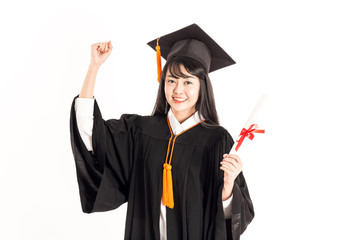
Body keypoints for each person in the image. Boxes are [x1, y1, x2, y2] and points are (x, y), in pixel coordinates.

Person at [70, 24, 254, 240]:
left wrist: (229, 184)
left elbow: (229, 220)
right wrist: (94, 67)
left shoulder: (216, 140)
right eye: (171, 80)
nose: (178, 90)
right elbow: (90, 133)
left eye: (188, 82)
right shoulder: (139, 132)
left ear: (202, 86)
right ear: (163, 83)